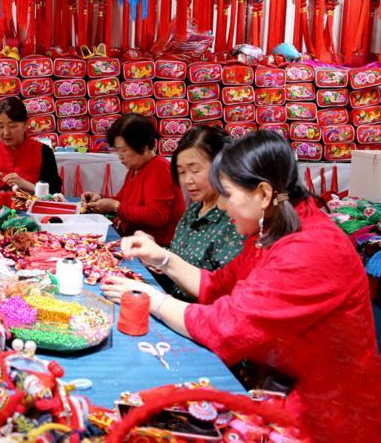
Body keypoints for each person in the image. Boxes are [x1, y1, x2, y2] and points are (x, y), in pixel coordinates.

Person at [101, 131, 381, 441]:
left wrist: (152, 299)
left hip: (325, 414)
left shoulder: (308, 249)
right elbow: (217, 284)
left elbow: (227, 326)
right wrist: (163, 258)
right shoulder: (273, 229)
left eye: (228, 194)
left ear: (263, 194)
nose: (222, 207)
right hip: (280, 386)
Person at [82, 114, 184, 246]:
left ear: (143, 146)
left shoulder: (159, 168)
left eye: (124, 150)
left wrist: (115, 206)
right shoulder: (136, 168)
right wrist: (99, 199)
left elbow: (157, 215)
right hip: (136, 241)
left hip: (156, 247)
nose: (120, 156)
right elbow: (123, 201)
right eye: (117, 151)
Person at [165, 126, 244, 297]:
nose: (187, 180)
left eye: (195, 171)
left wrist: (164, 259)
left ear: (221, 168)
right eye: (181, 172)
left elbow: (224, 292)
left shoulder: (235, 221)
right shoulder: (194, 209)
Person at [0, 97, 62, 194]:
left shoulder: (43, 151)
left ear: (25, 124)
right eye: (0, 126)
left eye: (12, 126)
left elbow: (55, 192)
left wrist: (28, 186)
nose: (6, 132)